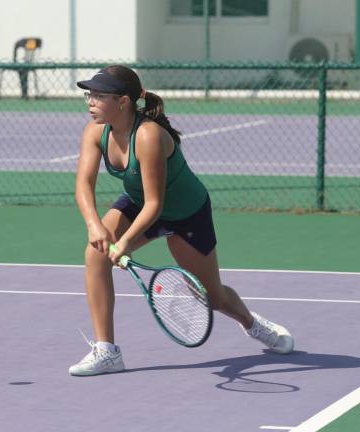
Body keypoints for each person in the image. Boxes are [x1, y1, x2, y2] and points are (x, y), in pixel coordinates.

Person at [69, 65, 294, 377]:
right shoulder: (95, 132)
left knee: (211, 297)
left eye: (99, 95)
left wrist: (122, 244)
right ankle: (107, 351)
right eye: (89, 94)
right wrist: (95, 225)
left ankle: (252, 323)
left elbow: (156, 204)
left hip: (186, 213)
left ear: (122, 102)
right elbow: (83, 185)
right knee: (94, 254)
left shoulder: (148, 136)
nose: (90, 101)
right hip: (138, 203)